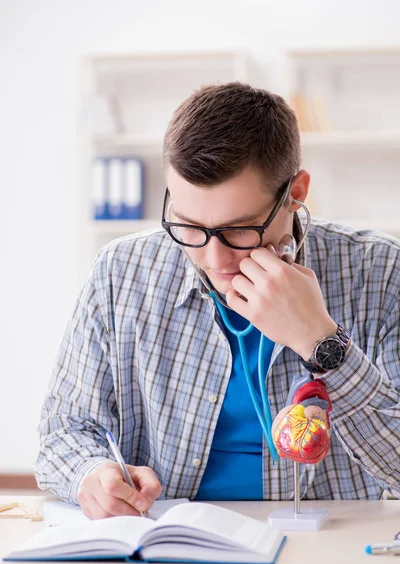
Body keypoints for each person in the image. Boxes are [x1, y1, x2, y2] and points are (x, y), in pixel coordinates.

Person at [35, 82, 400, 519]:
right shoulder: (121, 271)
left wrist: (321, 342)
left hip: (325, 554)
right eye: (188, 225)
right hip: (164, 550)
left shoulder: (380, 271)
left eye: (239, 229)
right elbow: (64, 431)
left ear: (296, 193)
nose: (213, 259)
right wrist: (90, 473)